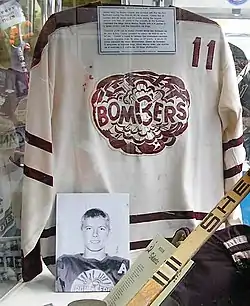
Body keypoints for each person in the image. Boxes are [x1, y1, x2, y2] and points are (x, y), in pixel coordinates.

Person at [56, 208, 129, 292]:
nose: (95, 234)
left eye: (101, 229)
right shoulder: (65, 264)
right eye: (89, 228)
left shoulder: (121, 266)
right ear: (82, 230)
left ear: (108, 232)